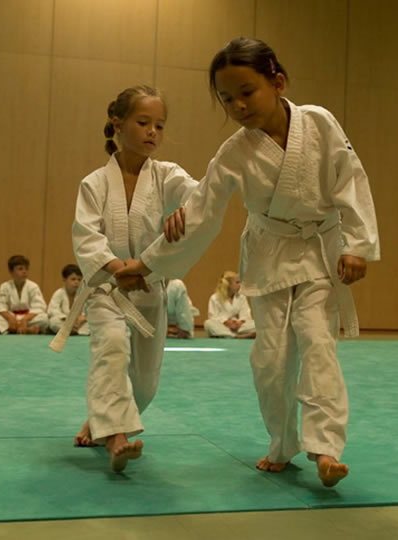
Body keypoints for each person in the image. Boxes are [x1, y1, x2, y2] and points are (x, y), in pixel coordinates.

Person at [115, 38, 380, 487]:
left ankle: (326, 448)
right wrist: (147, 263)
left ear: (277, 83)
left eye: (246, 92)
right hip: (269, 254)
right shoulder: (235, 151)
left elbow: (350, 179)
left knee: (318, 343)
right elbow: (202, 212)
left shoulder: (319, 123)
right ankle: (281, 444)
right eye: (226, 98)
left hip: (321, 251)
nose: (237, 105)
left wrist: (358, 243)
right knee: (271, 360)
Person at [69, 86, 197, 472]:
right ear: (117, 123)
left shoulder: (167, 175)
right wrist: (114, 268)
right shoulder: (94, 183)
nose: (153, 132)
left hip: (148, 286)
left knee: (144, 383)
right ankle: (117, 438)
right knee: (111, 350)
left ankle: (102, 419)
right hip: (107, 289)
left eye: (160, 125)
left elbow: (201, 196)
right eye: (143, 122)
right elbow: (86, 236)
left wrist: (187, 210)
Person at [0, 255, 49, 334]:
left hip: (27, 318)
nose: (24, 271)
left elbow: (39, 307)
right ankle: (27, 330)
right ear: (11, 271)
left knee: (45, 318)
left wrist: (25, 319)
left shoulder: (33, 286)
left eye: (26, 269)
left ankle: (8, 329)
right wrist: (10, 318)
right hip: (11, 318)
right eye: (20, 269)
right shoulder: (5, 286)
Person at [204, 271, 255, 338]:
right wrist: (226, 322)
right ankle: (235, 336)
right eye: (237, 282)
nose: (239, 285)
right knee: (208, 323)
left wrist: (240, 322)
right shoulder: (215, 298)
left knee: (256, 324)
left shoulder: (241, 297)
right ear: (228, 284)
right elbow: (213, 317)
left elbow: (246, 314)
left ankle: (227, 335)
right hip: (223, 326)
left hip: (239, 327)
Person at [48, 264, 89, 336]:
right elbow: (53, 310)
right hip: (64, 322)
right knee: (53, 322)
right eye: (73, 279)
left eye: (79, 279)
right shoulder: (59, 293)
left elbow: (88, 311)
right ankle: (72, 331)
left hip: (78, 324)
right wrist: (67, 319)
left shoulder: (82, 295)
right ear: (64, 280)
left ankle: (73, 331)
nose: (76, 282)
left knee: (92, 323)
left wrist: (82, 319)